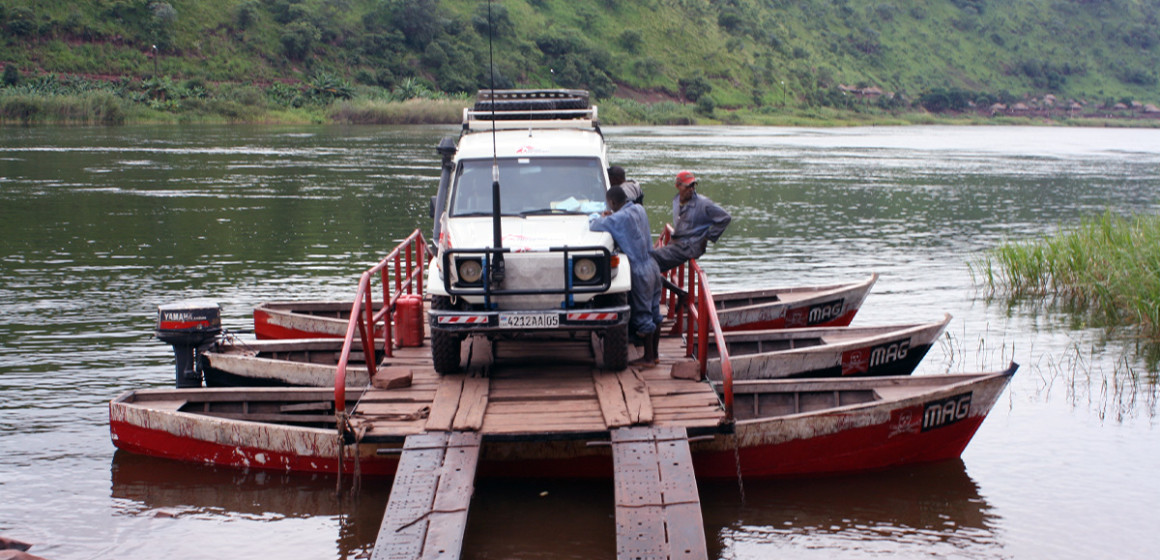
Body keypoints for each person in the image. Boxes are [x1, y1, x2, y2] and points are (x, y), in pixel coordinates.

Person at [590, 185, 663, 366]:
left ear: (612, 203)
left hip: (639, 269)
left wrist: (602, 215)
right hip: (653, 264)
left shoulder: (618, 218)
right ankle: (655, 354)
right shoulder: (639, 209)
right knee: (655, 311)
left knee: (643, 314)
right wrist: (612, 215)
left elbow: (594, 225)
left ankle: (647, 358)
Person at [650, 170, 731, 272]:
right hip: (676, 244)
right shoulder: (676, 200)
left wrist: (707, 237)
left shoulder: (703, 203)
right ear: (678, 186)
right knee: (648, 258)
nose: (691, 189)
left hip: (689, 247)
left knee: (650, 259)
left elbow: (725, 218)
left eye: (693, 186)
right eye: (688, 186)